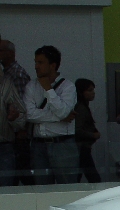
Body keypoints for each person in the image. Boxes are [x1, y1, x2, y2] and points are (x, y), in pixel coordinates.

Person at [23, 45, 79, 184]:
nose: (36, 66)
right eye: (35, 62)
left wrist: (48, 89)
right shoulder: (31, 86)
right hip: (38, 145)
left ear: (53, 65)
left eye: (40, 62)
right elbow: (29, 114)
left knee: (67, 188)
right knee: (42, 189)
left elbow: (62, 111)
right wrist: (59, 118)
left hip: (62, 144)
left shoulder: (68, 87)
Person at [0, 40, 33, 185]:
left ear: (10, 53)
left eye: (1, 50)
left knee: (14, 182)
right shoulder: (6, 74)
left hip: (13, 138)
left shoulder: (15, 75)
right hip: (10, 138)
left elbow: (21, 107)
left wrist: (17, 122)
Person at [0, 65, 26, 185]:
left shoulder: (6, 84)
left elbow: (22, 115)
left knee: (6, 192)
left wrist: (14, 117)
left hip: (3, 148)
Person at [73, 78, 102, 183]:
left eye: (93, 90)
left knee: (80, 176)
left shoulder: (82, 107)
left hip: (82, 147)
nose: (93, 93)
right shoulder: (81, 108)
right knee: (93, 178)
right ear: (81, 92)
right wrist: (92, 135)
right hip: (82, 148)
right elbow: (77, 130)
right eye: (89, 90)